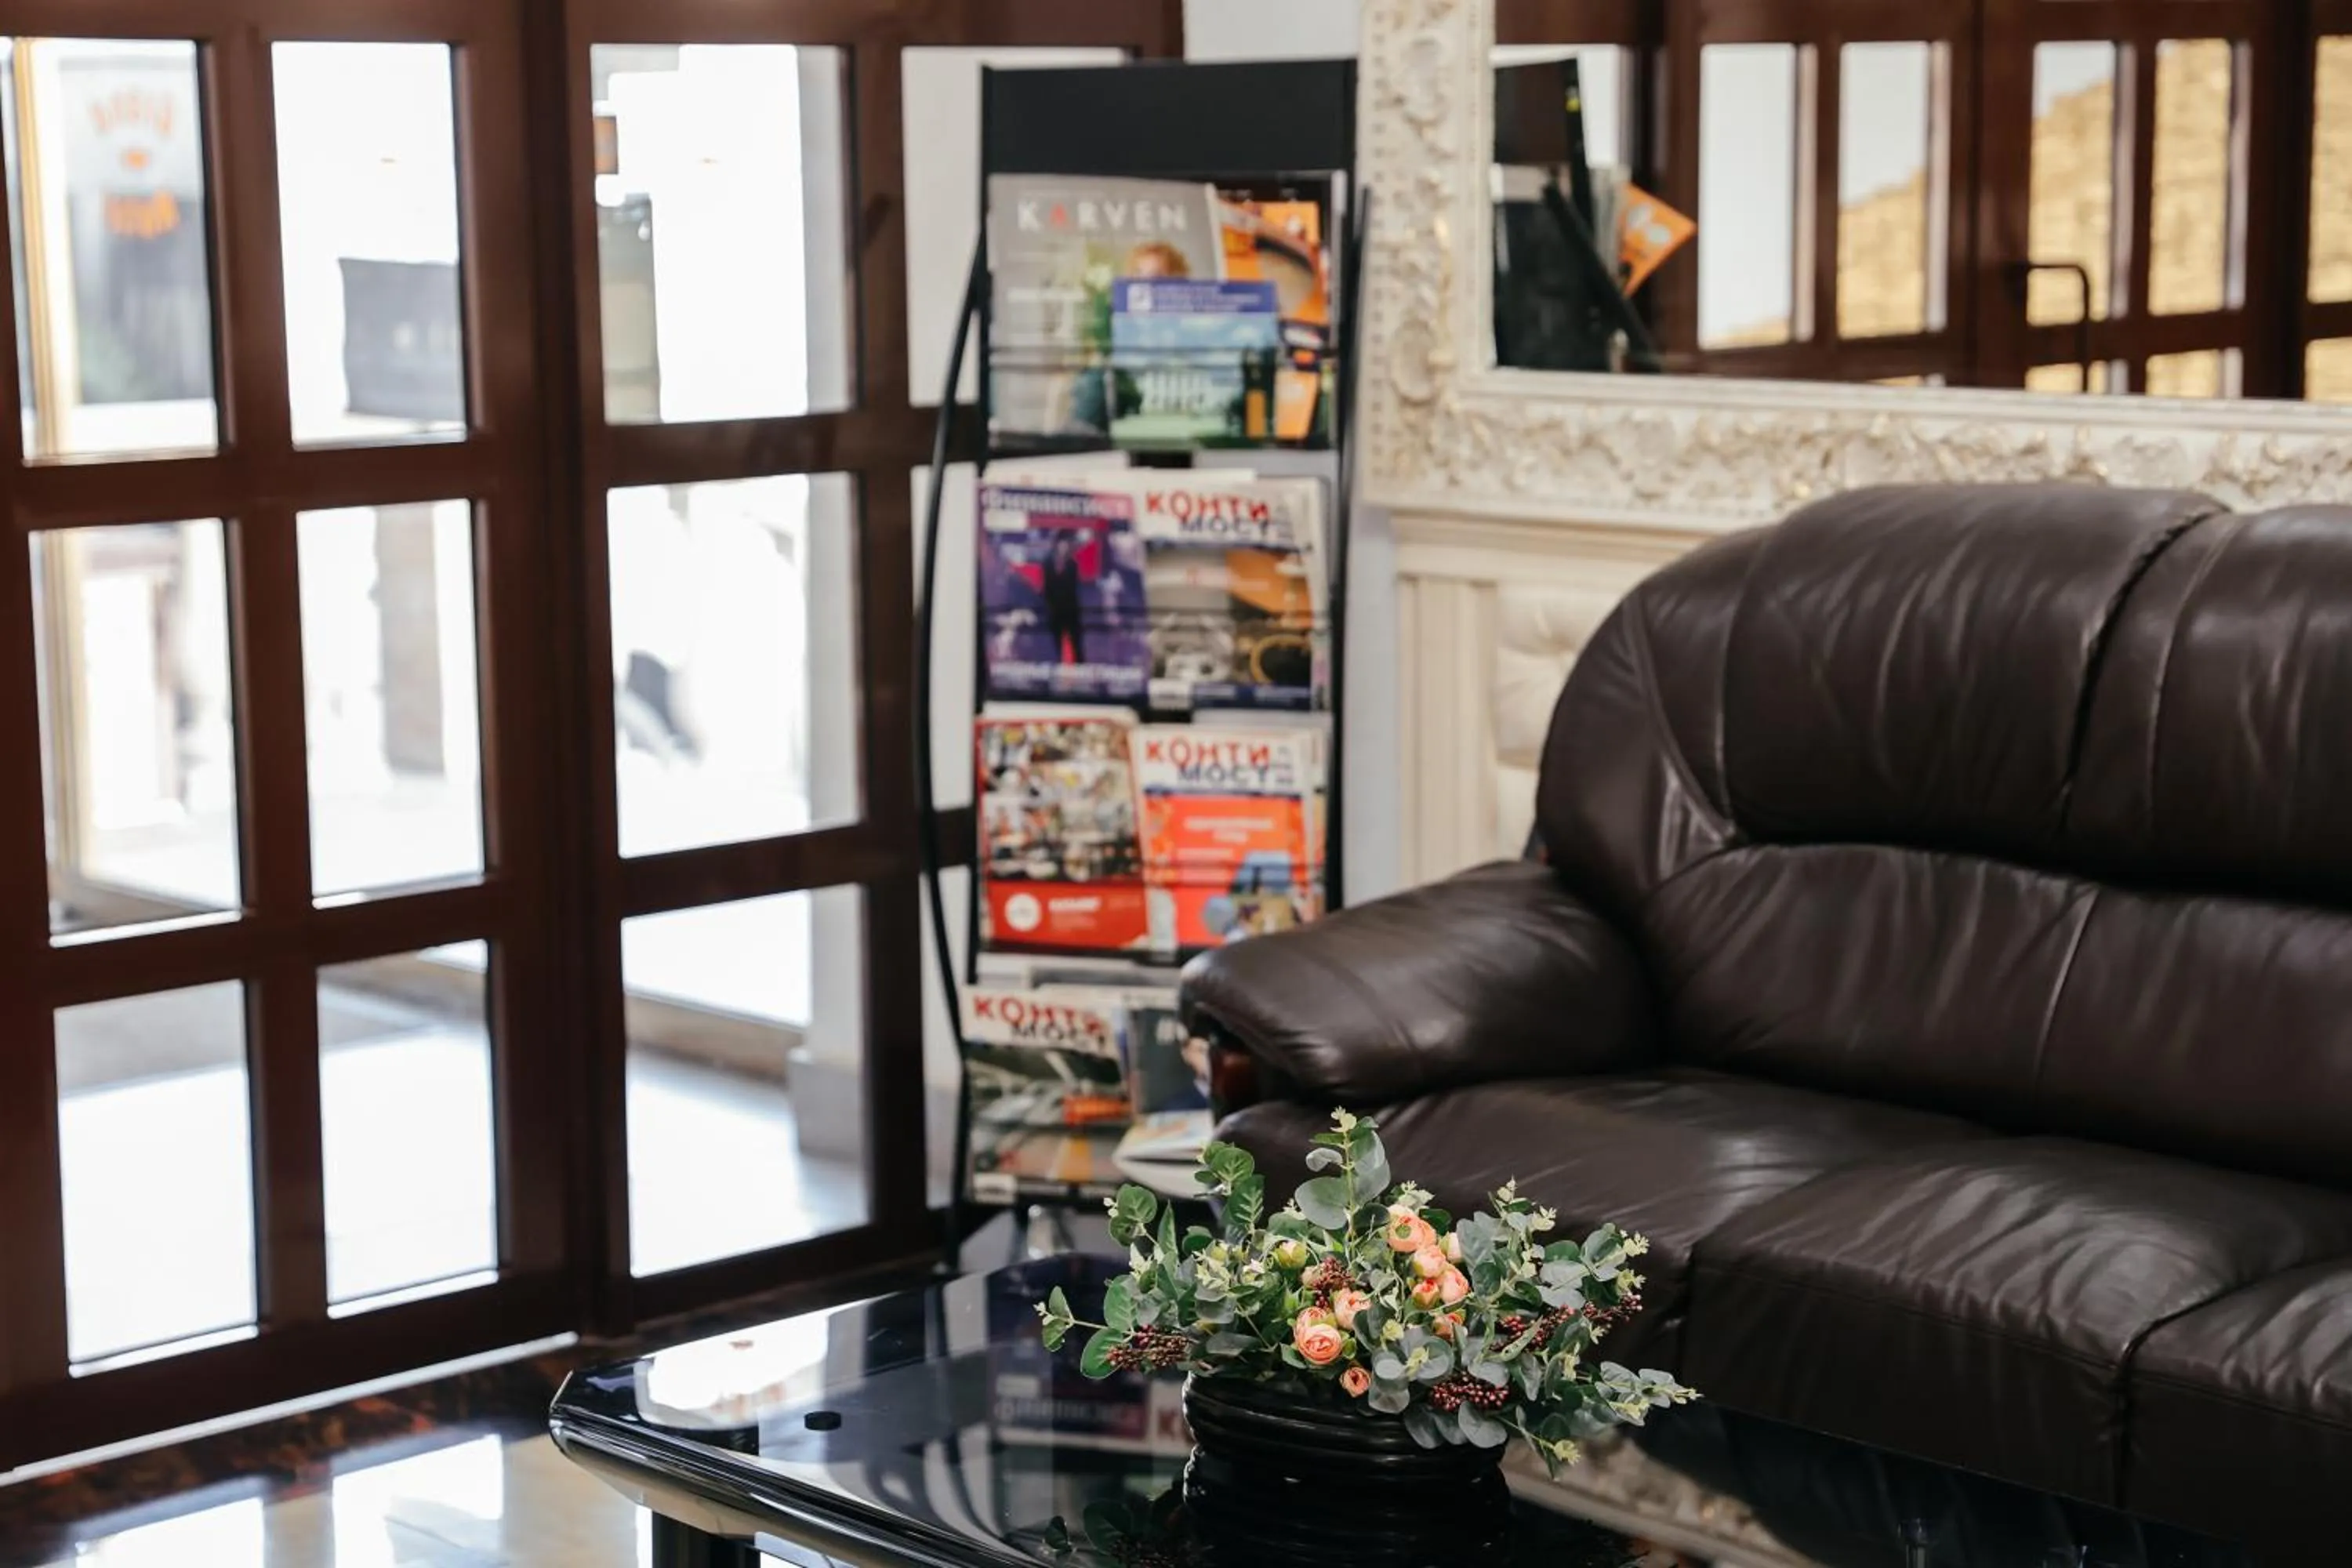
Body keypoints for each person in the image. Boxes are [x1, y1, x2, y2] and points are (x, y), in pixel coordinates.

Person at [1041, 529, 1087, 665]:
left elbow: (1074, 590)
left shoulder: (1073, 565)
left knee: (1077, 646)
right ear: (1058, 544)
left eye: (1069, 543)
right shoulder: (1047, 563)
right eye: (1064, 543)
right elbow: (1047, 588)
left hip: (1071, 612)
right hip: (1054, 613)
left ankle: (1081, 672)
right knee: (1055, 647)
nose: (1066, 546)